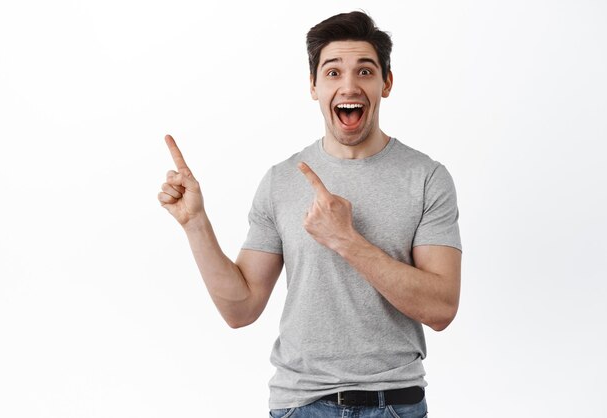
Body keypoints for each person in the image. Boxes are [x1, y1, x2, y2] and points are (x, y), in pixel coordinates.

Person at [158, 11, 461, 418]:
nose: (349, 85)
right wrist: (196, 223)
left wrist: (345, 239)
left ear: (386, 83)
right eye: (333, 73)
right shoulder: (280, 181)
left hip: (394, 403)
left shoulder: (427, 178)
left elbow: (441, 309)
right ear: (314, 86)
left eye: (365, 71)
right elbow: (241, 309)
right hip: (300, 406)